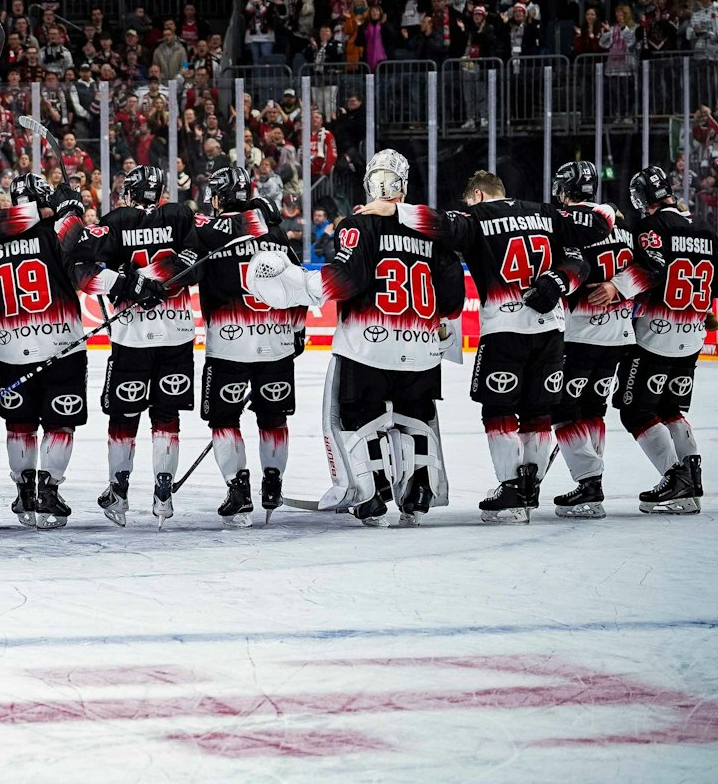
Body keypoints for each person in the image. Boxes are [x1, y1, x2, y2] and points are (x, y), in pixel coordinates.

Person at [364, 170, 598, 522]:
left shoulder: (476, 216)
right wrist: (559, 281)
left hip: (504, 329)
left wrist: (395, 211)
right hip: (551, 328)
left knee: (498, 411)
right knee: (538, 413)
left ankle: (511, 489)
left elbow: (440, 224)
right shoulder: (545, 212)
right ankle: (529, 488)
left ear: (476, 195)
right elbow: (581, 257)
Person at [247, 151, 464, 527]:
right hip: (422, 348)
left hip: (367, 344)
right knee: (415, 418)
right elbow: (452, 301)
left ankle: (369, 497)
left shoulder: (359, 223)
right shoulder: (432, 230)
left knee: (354, 420)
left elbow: (344, 280)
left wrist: (291, 281)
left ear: (369, 182)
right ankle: (416, 496)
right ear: (404, 184)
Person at [0, 172, 105, 529]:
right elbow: (90, 260)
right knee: (60, 423)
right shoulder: (56, 230)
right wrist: (71, 214)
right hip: (62, 344)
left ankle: (25, 490)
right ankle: (48, 490)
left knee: (20, 425)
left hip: (12, 347)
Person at [72, 165, 198, 527]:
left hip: (132, 337)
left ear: (131, 191)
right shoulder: (179, 215)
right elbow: (195, 265)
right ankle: (163, 492)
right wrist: (156, 279)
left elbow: (81, 267)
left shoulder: (117, 220)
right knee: (166, 416)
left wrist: (128, 284)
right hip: (178, 333)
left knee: (123, 415)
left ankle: (119, 490)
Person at [596, 166, 715, 514]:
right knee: (671, 408)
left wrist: (616, 286)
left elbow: (653, 266)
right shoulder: (705, 230)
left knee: (635, 410)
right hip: (692, 336)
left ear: (643, 198)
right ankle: (691, 480)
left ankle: (674, 476)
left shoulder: (651, 227)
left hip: (654, 335)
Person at [188, 166, 299, 526]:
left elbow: (186, 272)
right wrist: (296, 331)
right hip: (276, 342)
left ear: (220, 197)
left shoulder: (207, 232)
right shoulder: (276, 232)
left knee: (224, 419)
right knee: (273, 417)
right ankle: (272, 482)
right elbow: (297, 285)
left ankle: (238, 490)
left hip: (228, 346)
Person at [547, 161, 634, 518]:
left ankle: (589, 481)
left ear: (565, 189)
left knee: (563, 409)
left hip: (581, 333)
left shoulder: (568, 225)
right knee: (593, 408)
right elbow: (650, 268)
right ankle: (591, 480)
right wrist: (620, 287)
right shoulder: (621, 225)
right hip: (618, 334)